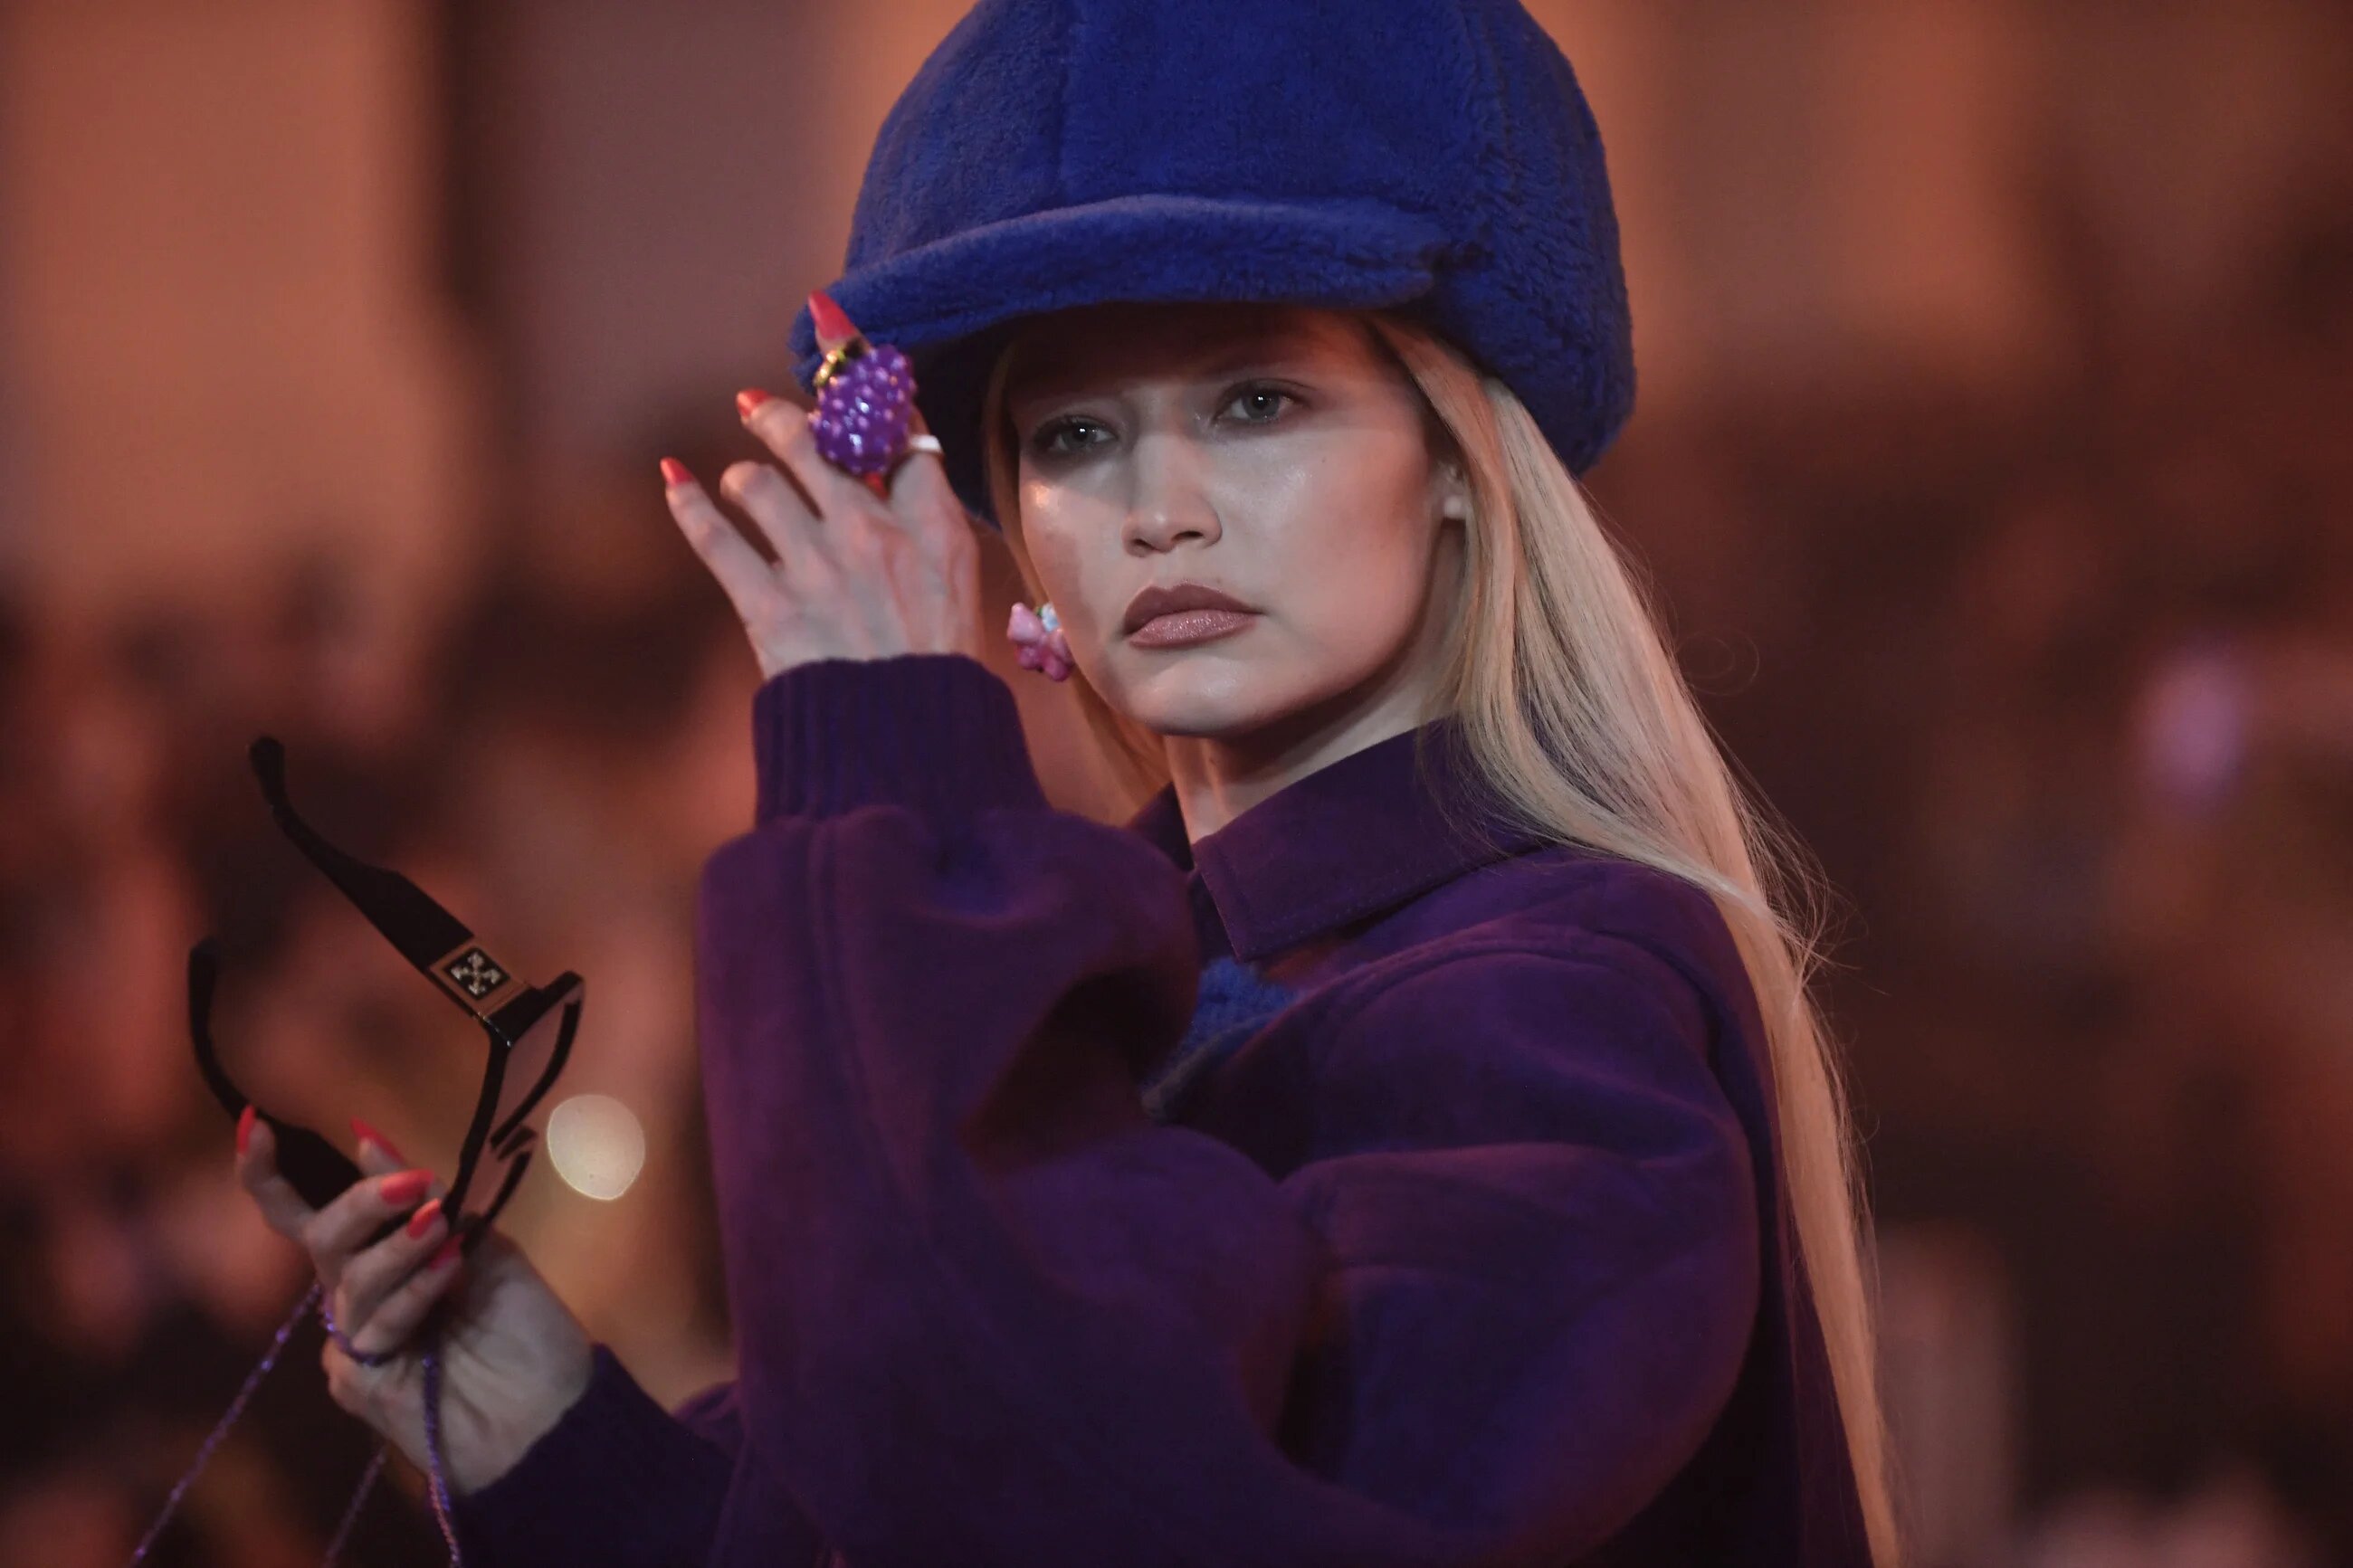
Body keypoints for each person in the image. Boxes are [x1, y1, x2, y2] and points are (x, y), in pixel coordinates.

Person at [232, 0, 1899, 1562]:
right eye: (1074, 434)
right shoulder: (1153, 963)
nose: (1158, 508)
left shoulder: (1556, 1002)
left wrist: (894, 786)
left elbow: (1116, 1511)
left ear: (1458, 460)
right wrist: (538, 1417)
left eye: (1257, 399)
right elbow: (902, 1500)